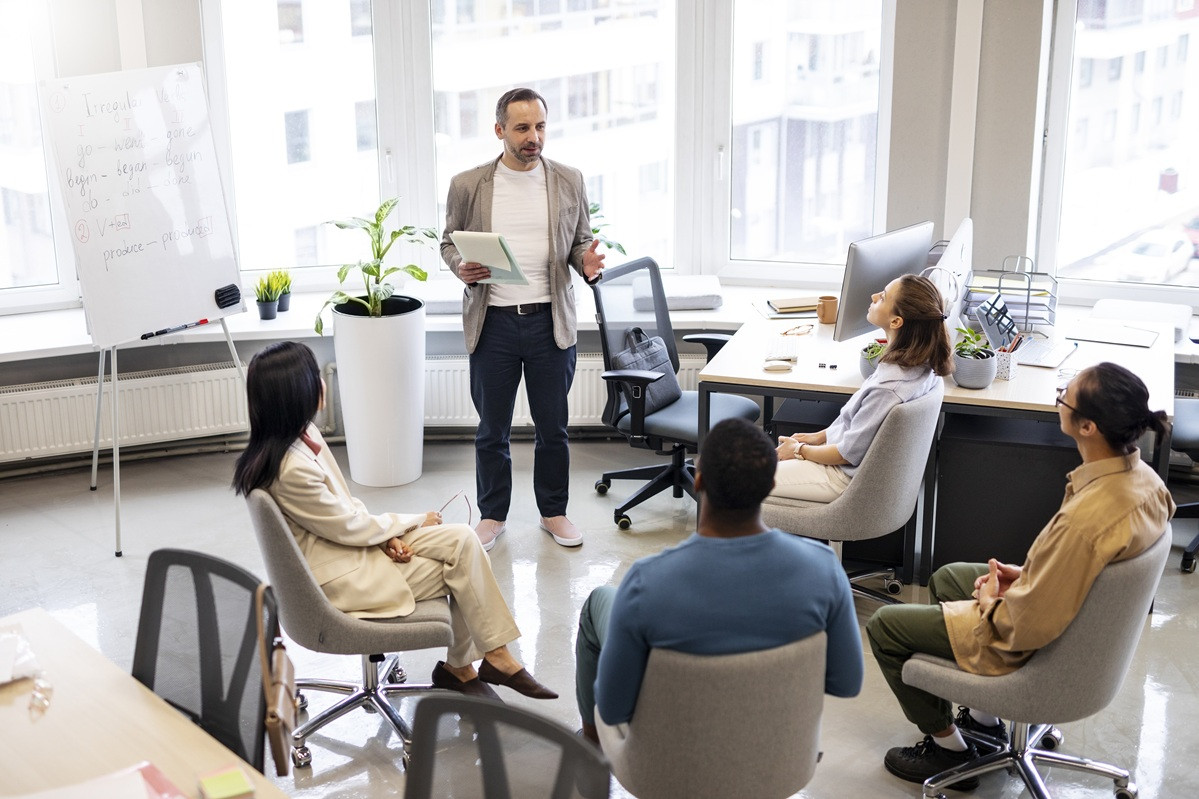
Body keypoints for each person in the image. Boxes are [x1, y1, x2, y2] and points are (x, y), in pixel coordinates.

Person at [867, 362, 1174, 789]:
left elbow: (1023, 626)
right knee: (949, 578)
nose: (1059, 396)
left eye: (1065, 394)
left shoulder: (1086, 522)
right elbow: (1086, 570)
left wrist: (993, 599)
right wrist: (1030, 575)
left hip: (1037, 640)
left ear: (1087, 426)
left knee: (886, 627)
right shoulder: (1145, 482)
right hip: (1075, 616)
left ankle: (947, 749)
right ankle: (985, 720)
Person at [232, 341, 557, 701]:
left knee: (463, 539)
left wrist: (388, 537)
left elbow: (343, 510)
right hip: (343, 575)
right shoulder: (291, 469)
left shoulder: (302, 437)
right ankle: (477, 664)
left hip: (350, 545)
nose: (323, 384)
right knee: (464, 568)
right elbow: (346, 526)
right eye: (314, 377)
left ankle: (477, 663)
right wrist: (411, 523)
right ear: (298, 393)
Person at [574, 417, 864, 744]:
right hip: (776, 762)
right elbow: (847, 682)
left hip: (664, 762)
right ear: (771, 485)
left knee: (599, 599)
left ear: (697, 481)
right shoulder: (824, 571)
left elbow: (613, 710)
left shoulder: (647, 582)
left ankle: (590, 741)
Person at [441, 87, 606, 552]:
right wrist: (460, 267)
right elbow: (448, 244)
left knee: (552, 427)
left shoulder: (569, 180)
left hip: (549, 323)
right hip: (492, 322)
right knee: (491, 430)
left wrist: (587, 263)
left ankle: (554, 512)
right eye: (522, 128)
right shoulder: (468, 184)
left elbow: (580, 242)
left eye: (540, 127)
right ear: (500, 131)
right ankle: (492, 516)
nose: (533, 137)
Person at [772, 274, 953, 502]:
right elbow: (857, 430)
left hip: (839, 477)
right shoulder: (919, 367)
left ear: (897, 321)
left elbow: (846, 454)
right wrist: (818, 437)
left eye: (883, 297)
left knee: (737, 480)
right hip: (841, 463)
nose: (874, 296)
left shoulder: (889, 388)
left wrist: (799, 450)